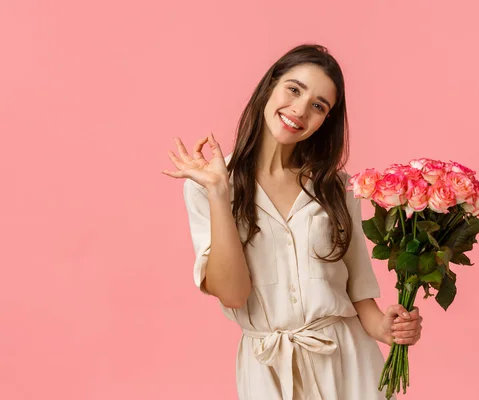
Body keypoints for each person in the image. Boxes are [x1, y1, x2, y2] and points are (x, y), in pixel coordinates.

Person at [162, 44, 423, 400]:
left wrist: (388, 327)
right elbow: (234, 294)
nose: (300, 110)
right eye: (294, 89)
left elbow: (357, 288)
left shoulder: (337, 187)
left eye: (318, 106)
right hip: (268, 371)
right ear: (270, 86)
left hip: (348, 363)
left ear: (325, 120)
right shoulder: (208, 183)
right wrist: (220, 193)